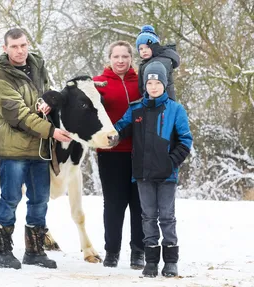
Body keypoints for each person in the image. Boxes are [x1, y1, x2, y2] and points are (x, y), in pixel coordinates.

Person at [0, 28, 71, 270]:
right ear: (5, 48)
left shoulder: (37, 65)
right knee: (11, 198)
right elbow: (19, 115)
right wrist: (52, 132)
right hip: (14, 149)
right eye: (14, 46)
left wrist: (49, 100)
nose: (20, 50)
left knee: (39, 200)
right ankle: (1, 250)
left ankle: (35, 251)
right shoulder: (0, 77)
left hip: (40, 149)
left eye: (23, 45)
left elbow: (43, 96)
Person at [114, 61, 193, 278]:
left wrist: (171, 162)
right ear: (145, 85)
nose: (154, 86)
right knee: (148, 216)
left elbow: (185, 139)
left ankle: (170, 261)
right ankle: (150, 262)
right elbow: (120, 128)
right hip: (143, 174)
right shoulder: (136, 109)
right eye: (150, 82)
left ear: (164, 84)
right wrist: (108, 133)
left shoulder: (176, 109)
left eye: (158, 82)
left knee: (167, 216)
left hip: (167, 174)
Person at [93, 41, 145, 269]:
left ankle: (138, 252)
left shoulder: (142, 82)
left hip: (140, 152)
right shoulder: (99, 83)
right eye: (116, 56)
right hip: (110, 153)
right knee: (114, 204)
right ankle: (111, 251)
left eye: (125, 56)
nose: (121, 60)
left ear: (131, 59)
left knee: (139, 204)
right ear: (109, 58)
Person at [136, 25, 180, 100]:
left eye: (147, 47)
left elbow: (157, 86)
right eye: (141, 48)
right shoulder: (147, 62)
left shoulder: (160, 61)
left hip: (162, 102)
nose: (144, 50)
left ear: (155, 46)